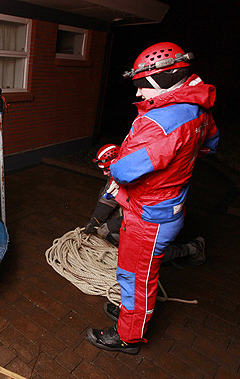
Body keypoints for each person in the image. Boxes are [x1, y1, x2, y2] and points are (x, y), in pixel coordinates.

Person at [85, 42, 219, 354]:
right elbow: (210, 143)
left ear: (165, 81)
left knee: (136, 278)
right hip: (168, 205)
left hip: (149, 216)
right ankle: (131, 317)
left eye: (144, 86)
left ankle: (128, 336)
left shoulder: (157, 122)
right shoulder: (197, 109)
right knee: (134, 273)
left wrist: (111, 163)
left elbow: (126, 172)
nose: (140, 95)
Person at [84, 143, 206, 266]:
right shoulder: (119, 174)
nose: (104, 173)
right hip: (140, 213)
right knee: (113, 236)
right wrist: (95, 220)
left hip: (159, 218)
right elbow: (108, 198)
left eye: (107, 170)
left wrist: (111, 226)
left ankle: (193, 249)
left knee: (145, 259)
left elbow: (143, 216)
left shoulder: (144, 180)